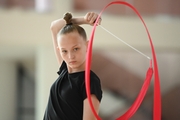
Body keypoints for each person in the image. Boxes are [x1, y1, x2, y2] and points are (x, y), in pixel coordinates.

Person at [43, 12, 103, 120]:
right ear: (59, 51)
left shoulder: (90, 81)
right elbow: (54, 27)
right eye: (64, 51)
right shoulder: (64, 70)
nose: (70, 56)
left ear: (87, 45)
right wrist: (84, 20)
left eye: (75, 49)